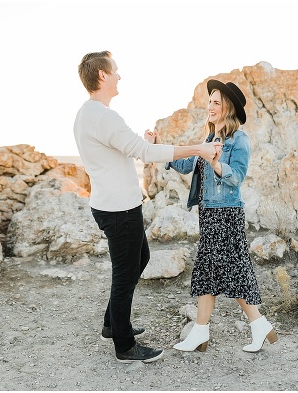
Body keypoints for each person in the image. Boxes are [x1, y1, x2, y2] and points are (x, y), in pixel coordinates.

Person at [73, 51, 222, 363]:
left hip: (114, 205)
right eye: (115, 71)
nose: (119, 76)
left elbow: (123, 151)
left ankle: (111, 325)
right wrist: (198, 148)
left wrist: (144, 143)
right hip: (118, 210)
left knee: (140, 258)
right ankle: (125, 346)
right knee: (125, 275)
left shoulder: (89, 114)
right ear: (102, 75)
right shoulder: (104, 116)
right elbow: (143, 152)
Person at [164, 80, 278, 353]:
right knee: (214, 271)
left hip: (227, 215)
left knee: (220, 271)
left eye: (216, 102)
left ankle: (207, 332)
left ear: (228, 107)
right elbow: (187, 163)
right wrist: (161, 150)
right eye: (210, 101)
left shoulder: (239, 139)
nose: (210, 106)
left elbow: (236, 177)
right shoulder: (208, 139)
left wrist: (216, 164)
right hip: (209, 215)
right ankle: (252, 326)